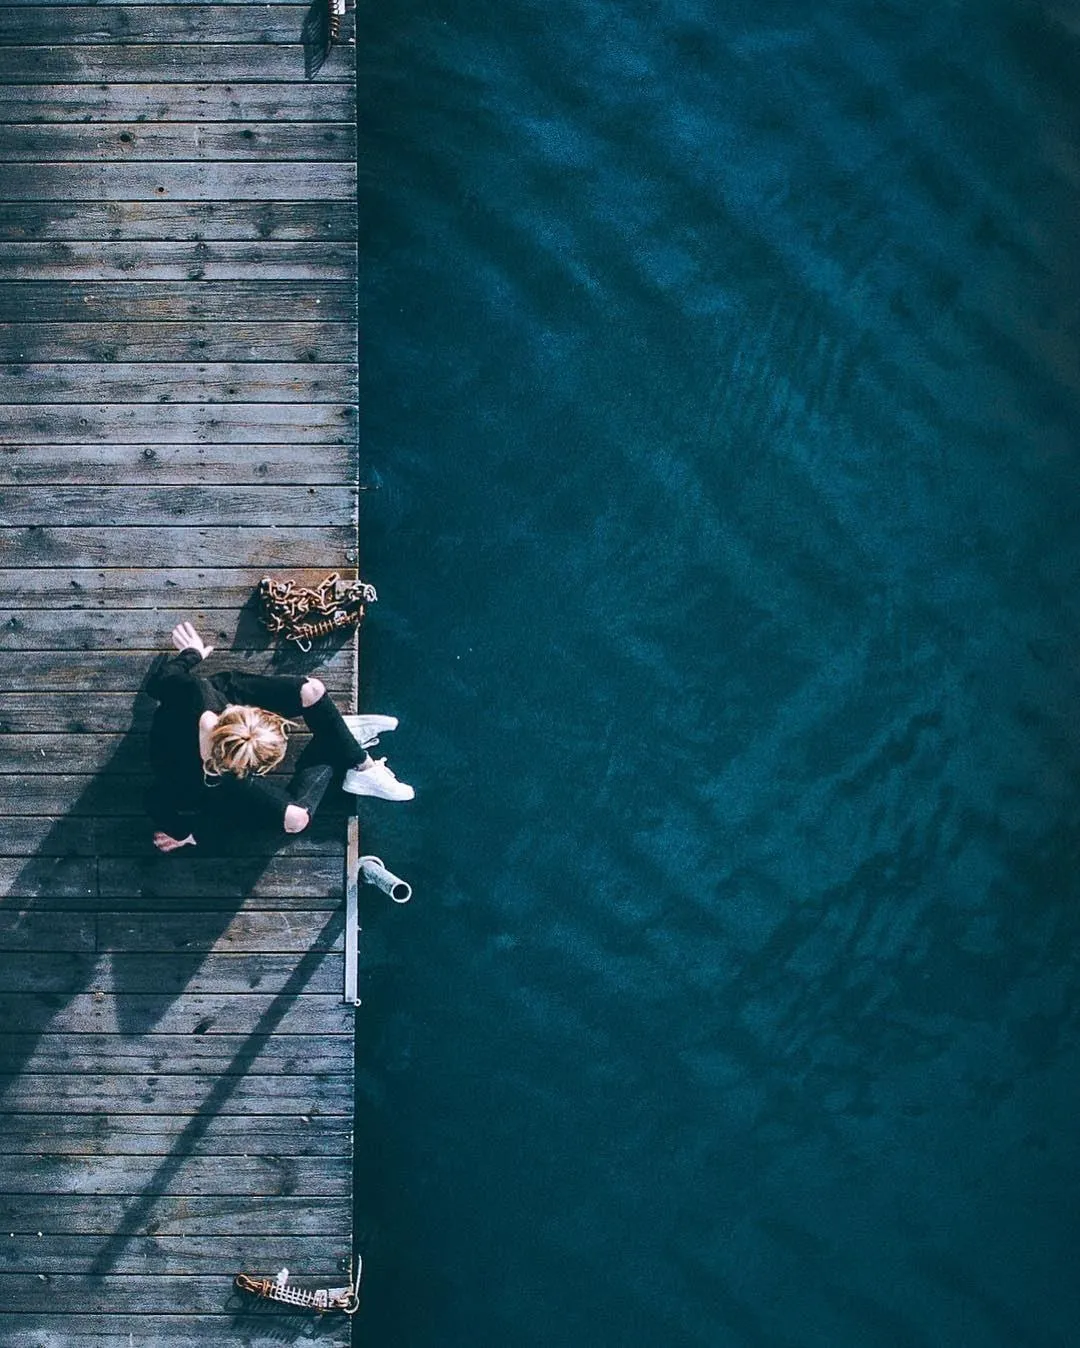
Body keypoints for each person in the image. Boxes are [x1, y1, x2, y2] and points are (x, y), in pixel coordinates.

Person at [145, 621, 413, 853]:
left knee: (312, 690)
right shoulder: (221, 784)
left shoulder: (195, 690)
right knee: (297, 819)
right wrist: (190, 835)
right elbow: (155, 797)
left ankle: (358, 759)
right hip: (193, 756)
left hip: (209, 712)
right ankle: (338, 742)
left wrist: (191, 654)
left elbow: (160, 682)